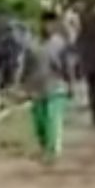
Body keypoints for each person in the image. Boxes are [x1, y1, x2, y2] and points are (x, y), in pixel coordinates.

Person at [21, 9, 74, 164]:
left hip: (56, 87)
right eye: (45, 23)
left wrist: (71, 84)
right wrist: (23, 85)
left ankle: (53, 151)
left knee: (53, 120)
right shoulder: (32, 44)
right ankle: (44, 147)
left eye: (51, 24)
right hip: (37, 88)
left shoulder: (61, 44)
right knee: (40, 122)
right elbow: (26, 66)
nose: (48, 27)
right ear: (41, 24)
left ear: (55, 25)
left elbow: (67, 66)